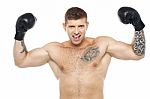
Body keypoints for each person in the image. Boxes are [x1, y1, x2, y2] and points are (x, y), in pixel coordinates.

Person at [13, 6, 145, 99]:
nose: (76, 32)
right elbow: (21, 61)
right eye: (71, 26)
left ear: (87, 25)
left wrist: (138, 26)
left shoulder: (102, 44)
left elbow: (137, 54)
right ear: (64, 26)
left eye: (80, 26)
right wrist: (20, 34)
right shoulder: (55, 50)